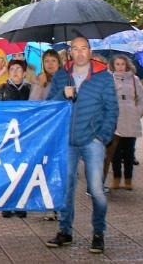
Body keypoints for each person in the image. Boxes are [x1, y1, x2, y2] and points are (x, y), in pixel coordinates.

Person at [45, 36, 118, 254]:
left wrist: (102, 136)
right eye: (74, 49)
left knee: (96, 189)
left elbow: (112, 109)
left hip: (92, 140)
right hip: (67, 140)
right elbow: (50, 106)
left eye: (83, 48)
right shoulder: (61, 76)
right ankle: (65, 231)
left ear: (90, 51)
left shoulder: (103, 77)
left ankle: (98, 233)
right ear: (70, 53)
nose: (79, 53)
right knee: (66, 187)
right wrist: (62, 94)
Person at [0, 59, 31, 218]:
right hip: (7, 137)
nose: (15, 72)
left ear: (24, 73)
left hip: (26, 135)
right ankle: (7, 202)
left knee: (23, 169)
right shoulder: (1, 89)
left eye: (18, 69)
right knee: (7, 170)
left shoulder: (30, 90)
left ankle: (21, 203)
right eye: (12, 69)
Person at [106, 55, 143, 191]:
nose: (120, 66)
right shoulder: (109, 79)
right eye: (117, 64)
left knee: (129, 151)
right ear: (113, 65)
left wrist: (138, 112)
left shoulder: (134, 79)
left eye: (122, 64)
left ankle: (128, 179)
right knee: (115, 151)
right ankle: (116, 178)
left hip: (130, 118)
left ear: (127, 65)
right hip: (115, 119)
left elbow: (142, 97)